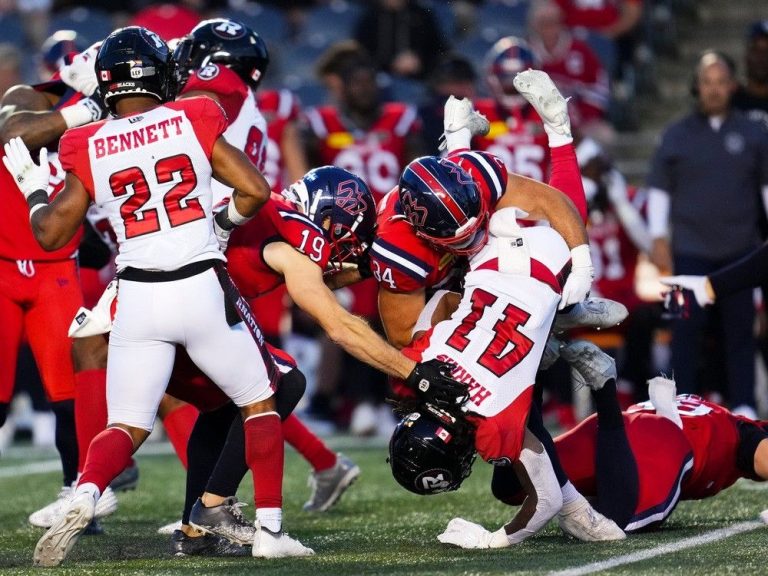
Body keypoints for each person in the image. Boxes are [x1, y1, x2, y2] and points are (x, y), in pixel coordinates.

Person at [5, 25, 311, 566]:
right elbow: (255, 189)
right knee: (261, 398)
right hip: (198, 283)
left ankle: (84, 493)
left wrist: (33, 188)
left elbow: (50, 232)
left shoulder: (87, 141)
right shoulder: (192, 114)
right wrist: (219, 224)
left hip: (138, 297)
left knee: (126, 422)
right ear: (163, 74)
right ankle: (269, 529)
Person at [370, 71, 627, 541]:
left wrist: (581, 262)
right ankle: (559, 323)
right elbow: (405, 334)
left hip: (510, 265)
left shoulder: (470, 181)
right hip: (478, 273)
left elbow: (550, 203)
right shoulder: (399, 255)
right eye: (456, 233)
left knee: (516, 411)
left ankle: (509, 133)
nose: (468, 232)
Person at [389, 207, 626, 547]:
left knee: (525, 397)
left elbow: (548, 501)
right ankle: (555, 316)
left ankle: (558, 314)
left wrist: (495, 539)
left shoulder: (493, 428)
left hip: (555, 270)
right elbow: (441, 299)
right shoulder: (417, 365)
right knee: (562, 204)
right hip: (493, 254)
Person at [0, 35, 118, 530]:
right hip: (4, 267)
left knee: (71, 397)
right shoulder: (27, 98)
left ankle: (80, 496)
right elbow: (16, 133)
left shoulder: (108, 118)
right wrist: (87, 106)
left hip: (56, 269)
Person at [646, 50, 768, 418]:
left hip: (740, 251)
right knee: (684, 331)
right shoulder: (676, 134)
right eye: (707, 82)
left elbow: (766, 188)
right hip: (689, 252)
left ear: (732, 86)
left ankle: (744, 403)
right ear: (696, 87)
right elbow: (658, 191)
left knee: (740, 330)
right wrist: (658, 239)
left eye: (720, 82)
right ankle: (681, 403)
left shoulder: (754, 133)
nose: (714, 90)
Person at [537, 371, 768, 531]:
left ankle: (537, 387)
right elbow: (760, 451)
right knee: (613, 523)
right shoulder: (743, 430)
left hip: (614, 427)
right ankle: (604, 389)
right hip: (666, 440)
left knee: (518, 482)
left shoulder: (716, 416)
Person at [527, 1, 612, 140]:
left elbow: (599, 88)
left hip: (580, 122)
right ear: (535, 26)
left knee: (605, 135)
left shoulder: (581, 50)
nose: (548, 28)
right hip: (539, 124)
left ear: (561, 23)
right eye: (543, 23)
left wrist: (581, 117)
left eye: (553, 22)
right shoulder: (526, 53)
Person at [473, 36, 552, 183]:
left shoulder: (548, 114)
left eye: (520, 82)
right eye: (507, 81)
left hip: (540, 203)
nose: (514, 87)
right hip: (492, 205)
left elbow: (584, 156)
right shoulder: (477, 113)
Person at [353, 0, 448, 80]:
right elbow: (362, 54)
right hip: (379, 80)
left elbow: (439, 50)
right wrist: (391, 63)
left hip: (421, 79)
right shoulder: (369, 18)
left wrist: (419, 60)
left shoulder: (422, 16)